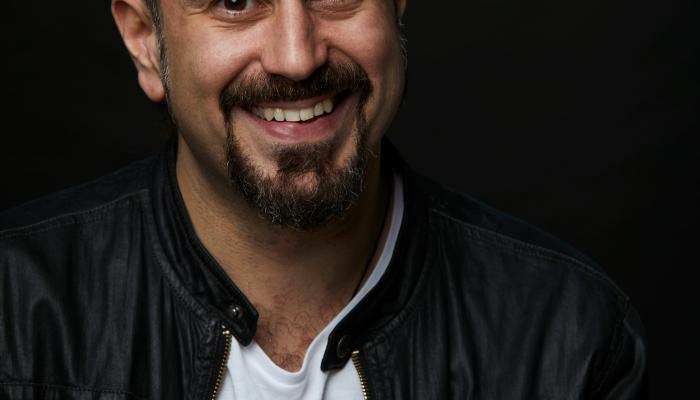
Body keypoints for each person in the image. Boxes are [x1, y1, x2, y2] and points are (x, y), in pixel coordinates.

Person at [0, 0, 648, 398]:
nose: (297, 57)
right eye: (235, 0)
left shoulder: (570, 337)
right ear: (146, 39)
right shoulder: (14, 312)